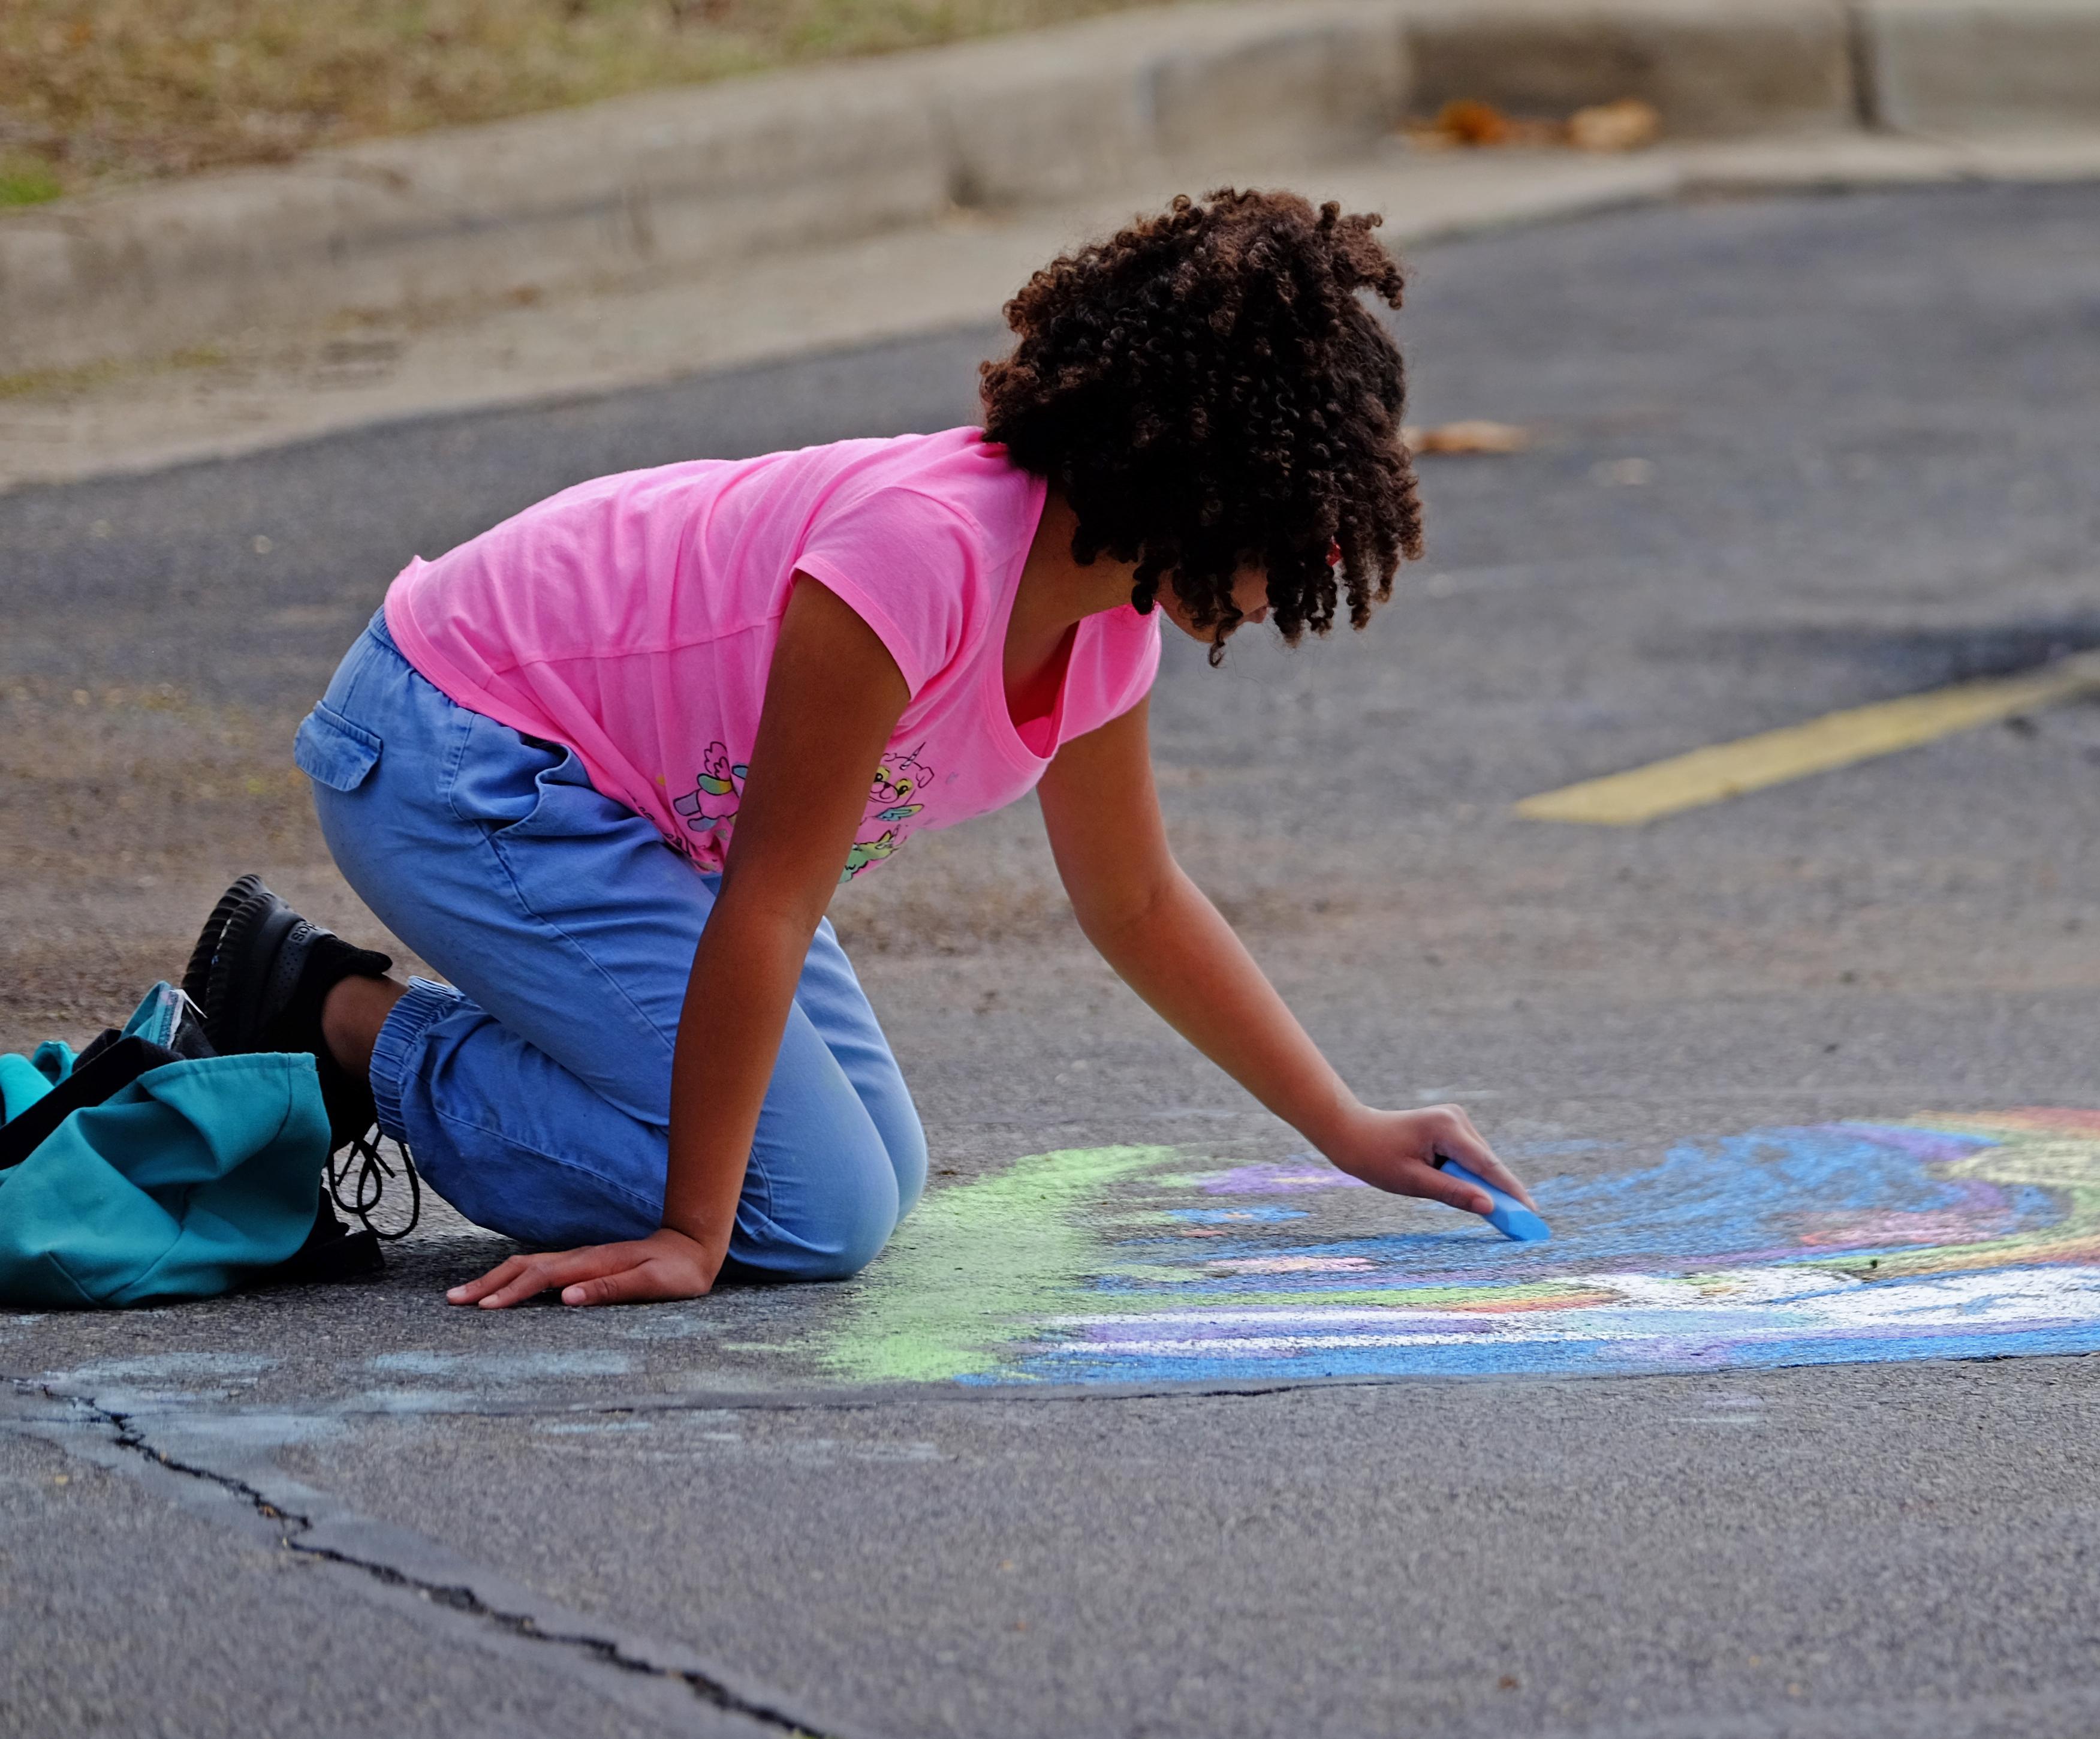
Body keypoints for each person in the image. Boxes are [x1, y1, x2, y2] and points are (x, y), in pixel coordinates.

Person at [179, 189, 1535, 1309]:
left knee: (876, 1172)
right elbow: (768, 899)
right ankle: (328, 1018)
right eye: (1297, 526)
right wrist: (693, 1237)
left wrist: (1341, 1124)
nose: (1319, 563)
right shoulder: (923, 553)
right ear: (1196, 482)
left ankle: (390, 1039)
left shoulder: (1108, 622)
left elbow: (1135, 902)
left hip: (619, 802)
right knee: (807, 1211)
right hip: (461, 750)